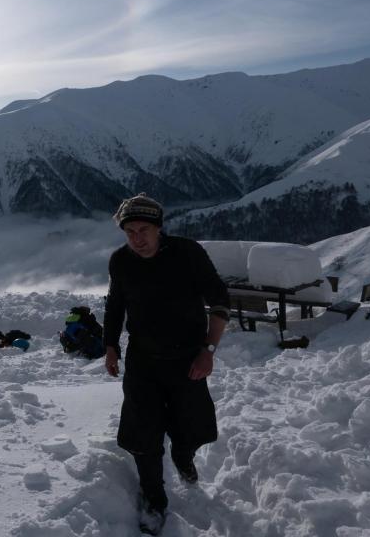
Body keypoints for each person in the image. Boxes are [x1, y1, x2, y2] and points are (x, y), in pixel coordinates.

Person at [103, 193, 230, 533]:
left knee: (189, 425)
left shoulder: (188, 254)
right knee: (143, 434)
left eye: (144, 230)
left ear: (159, 228)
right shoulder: (121, 261)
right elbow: (116, 305)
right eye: (129, 231)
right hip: (142, 360)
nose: (137, 239)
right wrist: (111, 344)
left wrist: (209, 350)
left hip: (188, 357)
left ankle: (183, 455)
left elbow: (219, 300)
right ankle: (154, 499)